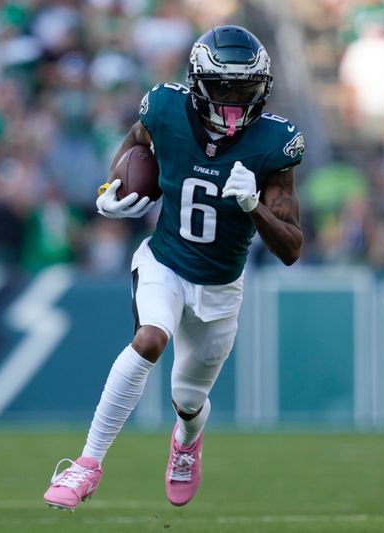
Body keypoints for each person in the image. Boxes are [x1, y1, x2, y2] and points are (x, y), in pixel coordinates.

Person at [43, 25, 305, 511]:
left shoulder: (275, 144)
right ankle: (86, 464)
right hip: (164, 262)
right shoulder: (164, 107)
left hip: (220, 289)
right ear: (200, 82)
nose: (233, 101)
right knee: (150, 340)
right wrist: (111, 190)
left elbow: (291, 248)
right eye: (223, 87)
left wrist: (254, 207)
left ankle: (186, 441)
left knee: (188, 399)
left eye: (245, 89)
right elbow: (136, 143)